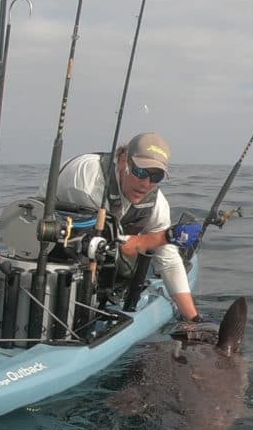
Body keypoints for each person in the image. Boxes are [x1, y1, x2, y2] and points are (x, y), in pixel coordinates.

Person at [55, 132, 205, 322]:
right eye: (141, 172)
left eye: (155, 176)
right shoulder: (88, 181)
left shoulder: (157, 203)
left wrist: (193, 319)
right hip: (49, 244)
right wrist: (166, 236)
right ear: (123, 160)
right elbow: (107, 244)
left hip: (97, 251)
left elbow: (167, 259)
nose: (145, 184)